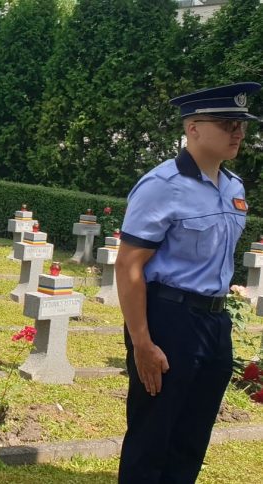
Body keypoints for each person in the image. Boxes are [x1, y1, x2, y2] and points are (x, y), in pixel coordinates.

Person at [115, 82, 259, 483]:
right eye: (229, 123)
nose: (239, 133)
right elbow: (128, 266)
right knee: (152, 436)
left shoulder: (234, 187)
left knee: (192, 437)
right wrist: (142, 343)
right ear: (193, 128)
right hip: (169, 319)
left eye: (242, 124)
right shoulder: (162, 185)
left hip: (214, 323)